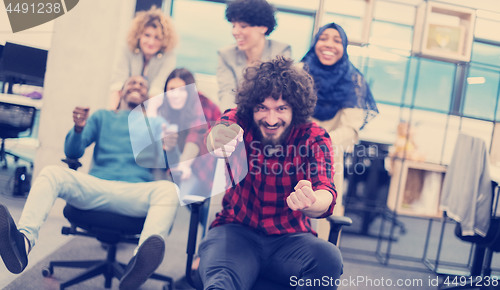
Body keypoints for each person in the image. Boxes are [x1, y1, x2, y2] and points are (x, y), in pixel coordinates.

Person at [0, 76, 179, 290]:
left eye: (142, 85)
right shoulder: (102, 117)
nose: (137, 86)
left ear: (147, 96)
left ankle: (136, 265)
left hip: (136, 193)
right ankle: (23, 243)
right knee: (51, 173)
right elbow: (73, 152)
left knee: (169, 189)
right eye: (132, 83)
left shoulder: (156, 124)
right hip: (97, 187)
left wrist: (170, 149)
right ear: (121, 91)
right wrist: (78, 129)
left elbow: (171, 166)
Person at [200, 57, 343, 289]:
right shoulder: (239, 120)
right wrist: (218, 140)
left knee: (328, 258)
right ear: (251, 107)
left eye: (281, 109)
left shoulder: (314, 137)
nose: (271, 119)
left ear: (295, 109)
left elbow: (327, 191)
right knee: (221, 282)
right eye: (262, 108)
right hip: (236, 232)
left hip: (290, 240)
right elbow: (218, 133)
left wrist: (312, 200)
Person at [301, 22, 378, 217]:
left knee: (322, 220)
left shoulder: (354, 81)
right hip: (292, 152)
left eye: (337, 40)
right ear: (315, 43)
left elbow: (351, 129)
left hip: (329, 154)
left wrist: (318, 143)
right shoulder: (298, 71)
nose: (329, 44)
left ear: (344, 48)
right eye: (323, 38)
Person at [158, 68, 221, 231]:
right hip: (185, 163)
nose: (176, 94)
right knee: (195, 206)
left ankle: (206, 248)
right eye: (171, 89)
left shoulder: (202, 104)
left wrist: (184, 164)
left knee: (209, 213)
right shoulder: (165, 107)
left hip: (211, 162)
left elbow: (197, 133)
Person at [217, 0, 291, 112]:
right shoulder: (226, 54)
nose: (235, 32)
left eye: (243, 26)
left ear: (263, 27)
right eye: (233, 26)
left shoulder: (281, 51)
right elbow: (227, 92)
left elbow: (280, 93)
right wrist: (230, 120)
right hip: (239, 113)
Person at [109, 6, 178, 110]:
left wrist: (148, 120)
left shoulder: (169, 57)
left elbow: (157, 89)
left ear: (164, 40)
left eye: (157, 38)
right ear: (139, 34)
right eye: (147, 35)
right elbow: (118, 85)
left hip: (151, 107)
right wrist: (111, 115)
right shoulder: (126, 49)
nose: (151, 42)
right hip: (124, 105)